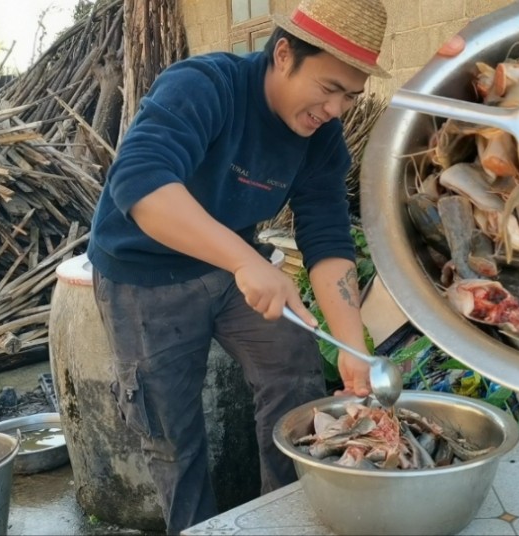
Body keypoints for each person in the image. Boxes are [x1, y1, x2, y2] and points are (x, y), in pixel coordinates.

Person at [87, 0, 466, 529]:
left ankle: (285, 516)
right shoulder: (204, 86)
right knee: (172, 430)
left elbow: (327, 236)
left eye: (350, 96)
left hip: (228, 266)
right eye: (329, 88)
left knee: (294, 369)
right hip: (143, 274)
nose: (336, 109)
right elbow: (139, 184)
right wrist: (245, 261)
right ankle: (195, 528)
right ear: (284, 54)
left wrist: (354, 346)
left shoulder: (321, 139)